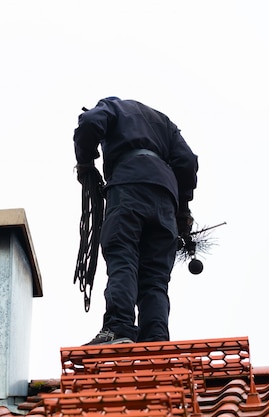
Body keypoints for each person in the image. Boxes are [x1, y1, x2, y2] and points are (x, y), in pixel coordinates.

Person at [73, 97, 198, 345]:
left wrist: (85, 163)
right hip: (165, 201)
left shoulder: (113, 107)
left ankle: (118, 328)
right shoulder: (166, 124)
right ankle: (156, 340)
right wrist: (183, 210)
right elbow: (187, 162)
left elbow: (89, 122)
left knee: (123, 256)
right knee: (155, 278)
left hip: (129, 188)